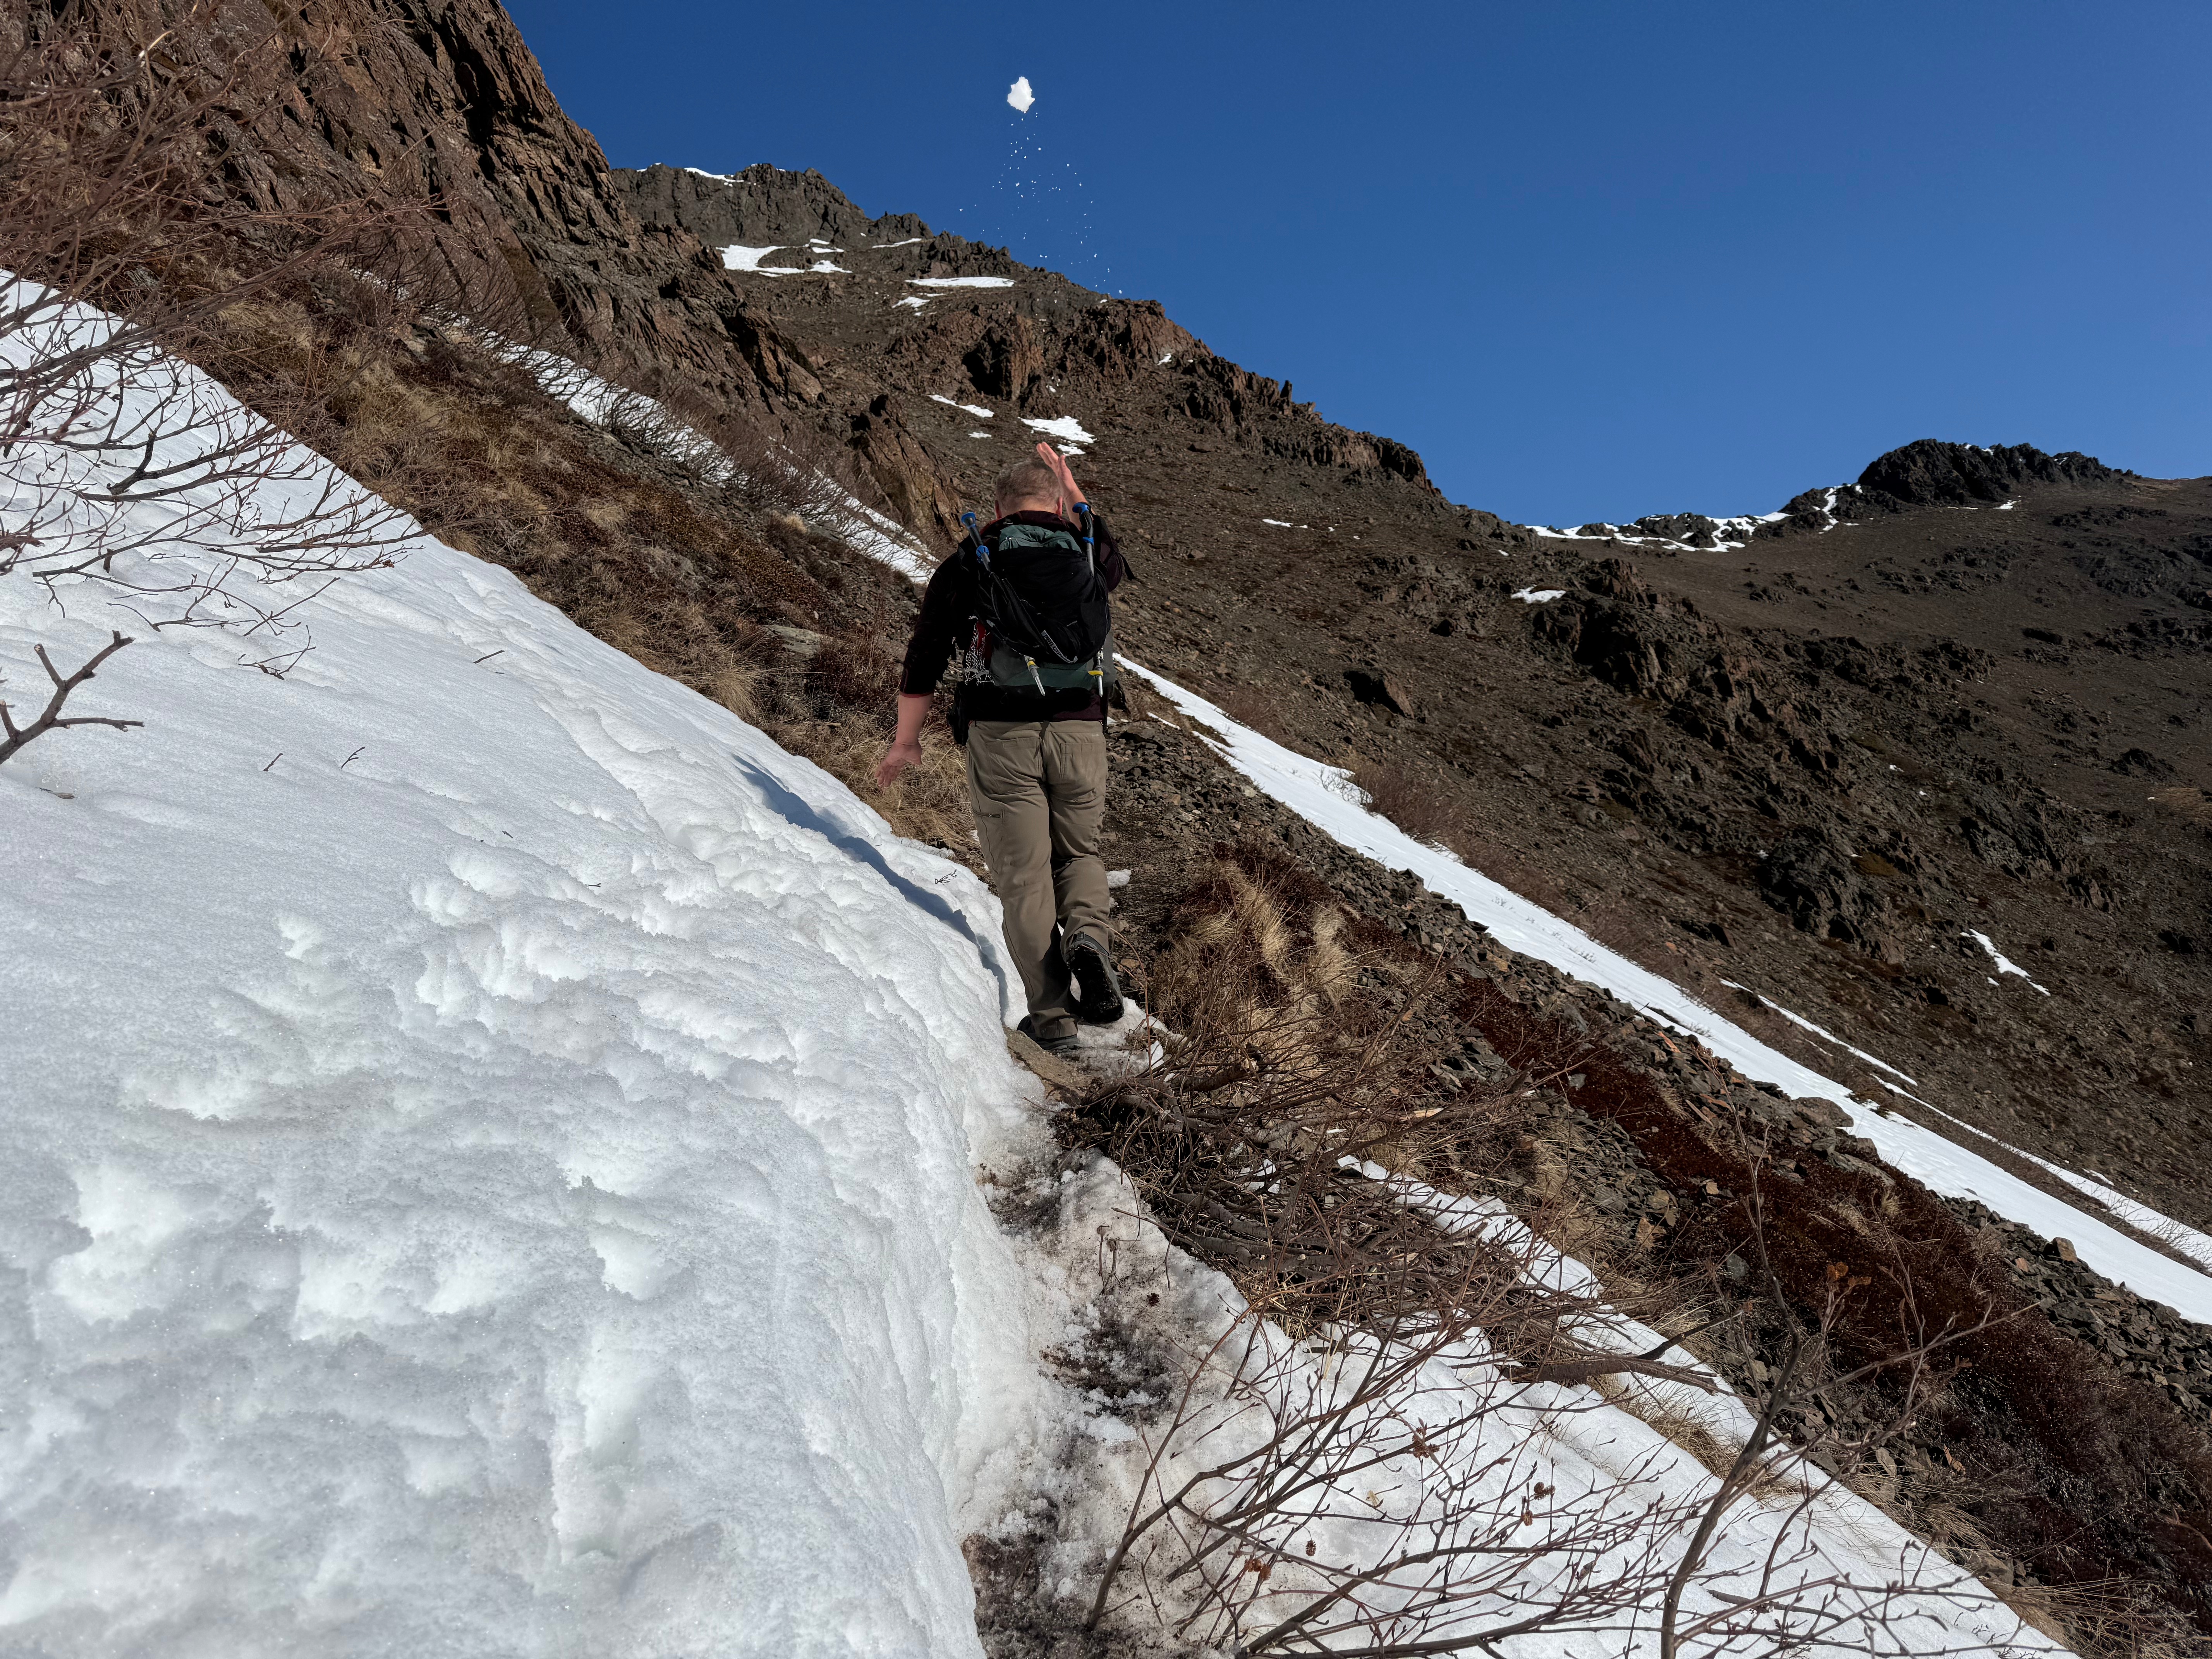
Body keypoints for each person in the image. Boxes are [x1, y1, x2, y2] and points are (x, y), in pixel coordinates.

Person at [877, 443, 1128, 1054]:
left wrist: (906, 741)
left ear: (997, 508)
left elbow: (926, 653)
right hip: (1081, 732)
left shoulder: (973, 561)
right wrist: (1075, 491)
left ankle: (1054, 1021)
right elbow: (1116, 562)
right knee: (1079, 853)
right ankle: (1089, 940)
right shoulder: (1088, 550)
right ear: (1058, 506)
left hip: (1002, 735)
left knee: (1025, 878)